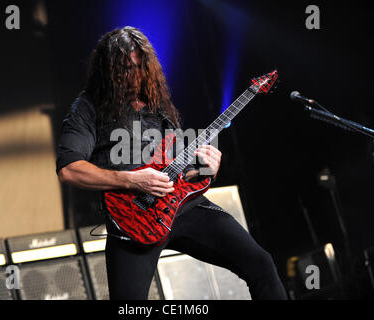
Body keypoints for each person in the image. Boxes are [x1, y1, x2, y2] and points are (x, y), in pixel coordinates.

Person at [56, 26, 287, 300]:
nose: (135, 76)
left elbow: (181, 171)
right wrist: (131, 179)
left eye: (141, 67)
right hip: (133, 218)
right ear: (108, 70)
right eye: (126, 70)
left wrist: (206, 169)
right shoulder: (88, 107)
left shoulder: (158, 103)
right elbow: (69, 170)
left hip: (185, 209)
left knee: (261, 264)